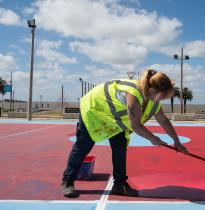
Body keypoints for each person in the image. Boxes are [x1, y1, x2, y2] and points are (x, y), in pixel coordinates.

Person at [61, 69, 188, 198]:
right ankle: (67, 181)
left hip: (114, 119)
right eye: (162, 97)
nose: (162, 100)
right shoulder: (133, 94)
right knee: (83, 147)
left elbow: (163, 120)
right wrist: (153, 138)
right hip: (95, 111)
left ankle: (119, 184)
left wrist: (176, 141)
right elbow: (136, 125)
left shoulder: (152, 99)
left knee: (120, 148)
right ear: (152, 91)